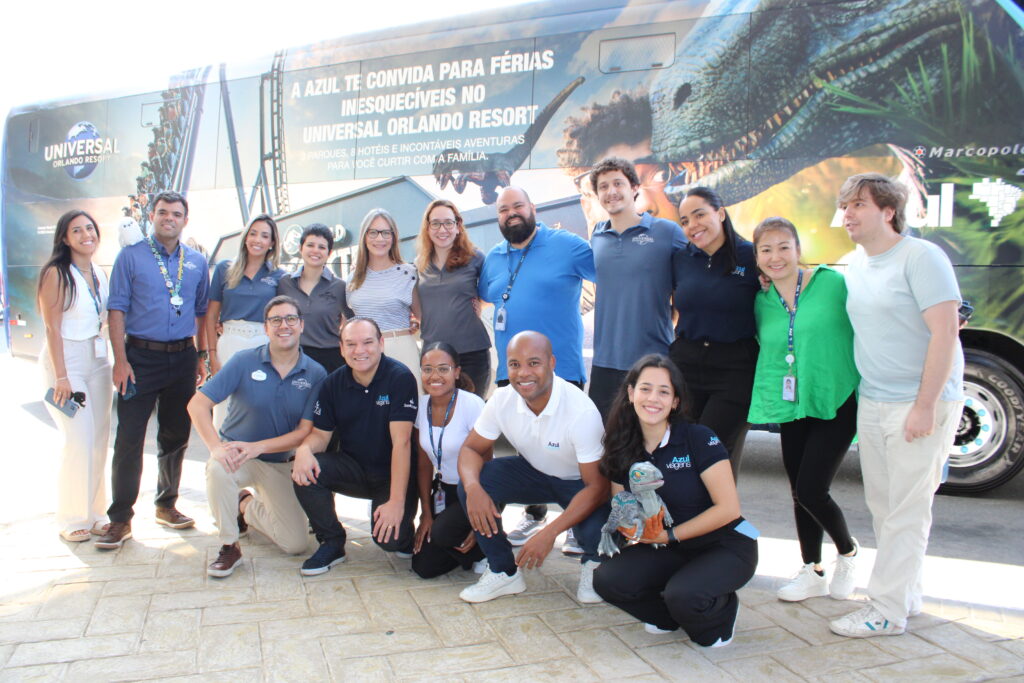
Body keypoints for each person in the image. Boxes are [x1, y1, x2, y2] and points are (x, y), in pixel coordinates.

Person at [829, 173, 964, 638]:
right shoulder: (853, 264)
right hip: (875, 400)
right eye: (844, 206)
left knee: (907, 507)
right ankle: (907, 595)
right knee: (884, 506)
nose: (847, 214)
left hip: (920, 402)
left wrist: (925, 405)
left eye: (858, 205)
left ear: (888, 211)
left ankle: (885, 610)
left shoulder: (921, 257)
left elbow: (946, 332)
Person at [593, 354, 758, 648]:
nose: (653, 398)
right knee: (607, 579)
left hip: (726, 544)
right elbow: (622, 504)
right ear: (631, 394)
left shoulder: (698, 438)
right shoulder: (621, 445)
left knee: (691, 608)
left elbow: (729, 509)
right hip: (670, 546)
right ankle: (670, 615)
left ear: (676, 401)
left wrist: (668, 535)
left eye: (664, 391)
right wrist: (632, 527)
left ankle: (721, 608)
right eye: (645, 389)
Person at [747, 217, 860, 602]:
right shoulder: (761, 301)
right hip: (792, 405)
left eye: (783, 247)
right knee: (799, 491)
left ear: (798, 249)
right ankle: (812, 568)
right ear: (757, 257)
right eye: (766, 249)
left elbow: (875, 313)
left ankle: (848, 552)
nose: (775, 257)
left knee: (813, 489)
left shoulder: (832, 284)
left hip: (835, 399)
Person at [478, 186, 596, 547]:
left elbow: (616, 274)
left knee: (571, 451)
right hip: (512, 374)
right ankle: (534, 514)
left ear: (533, 208)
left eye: (517, 206)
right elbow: (484, 298)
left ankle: (578, 522)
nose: (511, 214)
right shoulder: (494, 259)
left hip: (561, 372)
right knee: (527, 448)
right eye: (503, 210)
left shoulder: (568, 245)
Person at [456, 331, 609, 604]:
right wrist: (473, 488)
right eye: (515, 364)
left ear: (551, 363)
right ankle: (503, 571)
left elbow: (597, 486)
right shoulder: (503, 399)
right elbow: (471, 449)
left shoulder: (580, 411)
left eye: (533, 363)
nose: (523, 373)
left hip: (579, 484)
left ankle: (593, 563)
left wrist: (549, 533)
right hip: (534, 473)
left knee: (599, 530)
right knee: (476, 482)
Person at [97, 191, 210, 549]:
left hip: (182, 359)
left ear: (185, 220)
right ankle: (120, 519)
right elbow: (117, 310)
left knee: (175, 437)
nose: (169, 219)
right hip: (139, 359)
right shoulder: (130, 257)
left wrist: (201, 357)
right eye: (162, 213)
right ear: (152, 216)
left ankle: (166, 505)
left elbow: (202, 312)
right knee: (129, 439)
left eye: (176, 214)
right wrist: (121, 360)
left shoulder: (196, 262)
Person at [188, 295, 326, 577]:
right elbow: (197, 405)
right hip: (238, 455)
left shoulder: (315, 373)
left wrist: (258, 447)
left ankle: (245, 505)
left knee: (296, 544)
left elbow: (304, 432)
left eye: (290, 319)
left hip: (278, 462)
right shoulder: (243, 362)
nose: (283, 325)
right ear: (266, 328)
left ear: (301, 325)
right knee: (218, 470)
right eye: (276, 320)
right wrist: (216, 448)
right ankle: (229, 545)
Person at [291, 317, 419, 574]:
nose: (359, 350)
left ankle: (405, 530)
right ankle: (332, 542)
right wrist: (303, 451)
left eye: (367, 342)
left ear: (381, 343)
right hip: (354, 468)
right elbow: (321, 435)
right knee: (306, 471)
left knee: (390, 542)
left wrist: (395, 501)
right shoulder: (332, 384)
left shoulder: (400, 378)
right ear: (341, 348)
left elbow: (402, 443)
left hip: (393, 473)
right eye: (351, 344)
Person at [670, 186, 760, 480]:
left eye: (699, 215)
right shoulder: (681, 260)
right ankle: (693, 522)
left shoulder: (751, 256)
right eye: (684, 221)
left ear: (720, 213)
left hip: (734, 368)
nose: (692, 226)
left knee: (713, 451)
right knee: (682, 450)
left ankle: (723, 522)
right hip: (686, 364)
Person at [588, 157, 687, 419]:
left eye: (618, 183)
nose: (611, 192)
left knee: (651, 445)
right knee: (604, 444)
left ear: (634, 188)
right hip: (604, 363)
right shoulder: (597, 236)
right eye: (603, 186)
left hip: (652, 361)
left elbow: (695, 275)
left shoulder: (666, 232)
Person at [37, 210, 113, 543]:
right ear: (65, 238)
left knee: (99, 440)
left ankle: (97, 513)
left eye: (90, 228)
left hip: (98, 359)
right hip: (67, 361)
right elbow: (52, 327)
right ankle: (71, 517)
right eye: (76, 230)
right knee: (78, 440)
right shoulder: (56, 273)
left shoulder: (98, 271)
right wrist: (61, 376)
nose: (86, 234)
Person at [411, 342, 487, 578]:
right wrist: (426, 513)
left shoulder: (471, 405)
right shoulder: (420, 407)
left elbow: (488, 464)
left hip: (475, 490)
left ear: (456, 372)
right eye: (427, 369)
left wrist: (477, 523)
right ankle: (466, 551)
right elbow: (424, 465)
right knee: (423, 567)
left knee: (443, 533)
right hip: (443, 490)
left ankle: (486, 546)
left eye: (443, 369)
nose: (435, 376)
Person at [206, 214, 285, 427]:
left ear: (272, 243)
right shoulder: (225, 268)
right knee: (224, 403)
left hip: (263, 343)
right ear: (245, 237)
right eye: (253, 233)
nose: (257, 240)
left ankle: (255, 456)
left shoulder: (278, 275)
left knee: (259, 401)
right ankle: (221, 456)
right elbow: (211, 315)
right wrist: (212, 355)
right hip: (230, 340)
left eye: (264, 235)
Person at [414, 200, 492, 397]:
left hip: (472, 354)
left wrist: (480, 303)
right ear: (427, 227)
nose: (443, 229)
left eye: (448, 222)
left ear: (458, 226)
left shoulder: (475, 257)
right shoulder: (417, 265)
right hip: (433, 355)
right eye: (436, 223)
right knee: (440, 418)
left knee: (473, 419)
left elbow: (495, 291)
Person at [346, 209, 422, 390]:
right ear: (364, 236)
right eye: (373, 232)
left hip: (401, 350)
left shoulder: (408, 273)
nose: (380, 239)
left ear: (394, 237)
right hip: (363, 354)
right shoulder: (353, 278)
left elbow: (423, 319)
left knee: (406, 411)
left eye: (386, 232)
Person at [277, 223, 354, 374]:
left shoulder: (340, 287)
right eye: (310, 245)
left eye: (321, 247)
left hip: (332, 360)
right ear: (301, 248)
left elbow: (354, 320)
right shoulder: (284, 284)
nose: (315, 251)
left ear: (329, 252)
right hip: (294, 358)